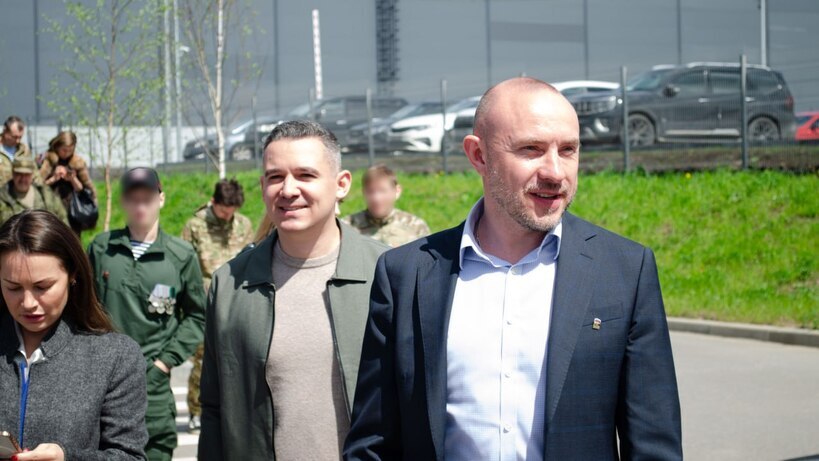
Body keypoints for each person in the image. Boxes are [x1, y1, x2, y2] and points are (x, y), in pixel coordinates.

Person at [345, 77, 682, 460]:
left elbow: (654, 445)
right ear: (479, 155)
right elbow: (373, 444)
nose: (555, 172)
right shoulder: (406, 274)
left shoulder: (624, 270)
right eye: (531, 149)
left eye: (568, 150)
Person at [198, 120, 387, 460]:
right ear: (262, 186)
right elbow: (214, 409)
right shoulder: (230, 285)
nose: (287, 189)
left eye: (305, 175)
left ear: (341, 184)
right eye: (275, 177)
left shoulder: (388, 274)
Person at [0, 210, 148, 461]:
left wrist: (68, 458)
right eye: (13, 288)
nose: (28, 303)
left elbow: (129, 456)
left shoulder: (115, 356)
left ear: (73, 275)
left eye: (42, 287)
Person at [87, 167, 206, 461]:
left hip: (152, 381)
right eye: (133, 199)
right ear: (123, 201)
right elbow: (83, 306)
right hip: (104, 378)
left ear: (161, 199)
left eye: (148, 199)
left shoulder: (180, 255)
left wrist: (165, 362)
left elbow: (197, 316)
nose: (140, 206)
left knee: (155, 449)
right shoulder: (102, 249)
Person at [180, 178, 253, 433]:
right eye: (223, 211)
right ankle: (196, 411)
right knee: (203, 361)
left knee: (239, 360)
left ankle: (235, 413)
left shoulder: (243, 225)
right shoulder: (195, 226)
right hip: (205, 303)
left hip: (237, 302)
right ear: (213, 202)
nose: (227, 216)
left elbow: (250, 260)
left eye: (232, 211)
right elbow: (185, 268)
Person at [343, 164, 430, 247]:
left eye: (382, 191)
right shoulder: (347, 227)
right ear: (363, 192)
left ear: (397, 191)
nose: (376, 198)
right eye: (370, 191)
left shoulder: (415, 226)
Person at [40, 131, 97, 234]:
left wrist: (72, 179)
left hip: (72, 210)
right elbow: (38, 185)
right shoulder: (47, 160)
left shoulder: (77, 162)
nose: (66, 154)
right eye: (64, 150)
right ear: (57, 146)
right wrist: (54, 178)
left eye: (70, 151)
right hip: (50, 206)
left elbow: (84, 189)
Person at [0, 157, 67, 225]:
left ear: (32, 174)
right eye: (19, 174)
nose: (23, 178)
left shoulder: (46, 195)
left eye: (27, 174)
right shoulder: (2, 199)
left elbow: (63, 222)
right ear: (13, 174)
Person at [0, 116, 31, 184]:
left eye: (20, 137)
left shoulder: (24, 150)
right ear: (5, 131)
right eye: (14, 137)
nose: (18, 141)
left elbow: (35, 175)